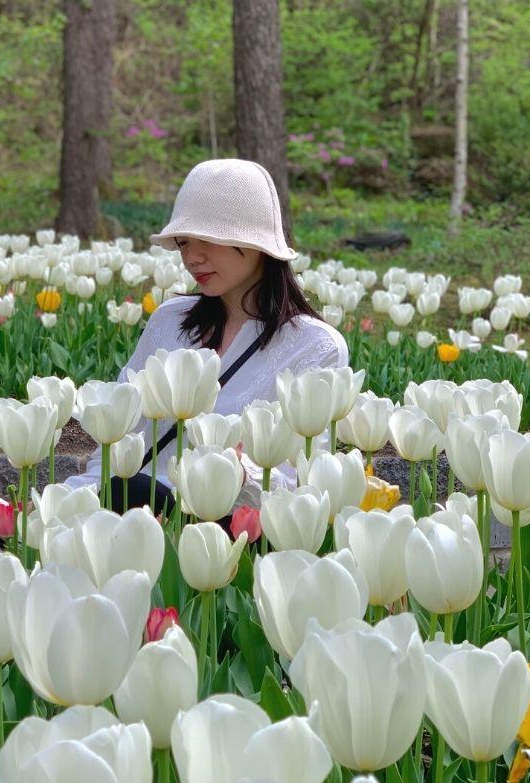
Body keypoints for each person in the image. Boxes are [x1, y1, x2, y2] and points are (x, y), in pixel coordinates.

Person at [62, 158, 350, 517]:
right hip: (140, 513)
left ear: (257, 242)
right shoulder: (170, 322)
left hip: (236, 530)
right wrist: (68, 502)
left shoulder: (314, 346)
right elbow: (119, 440)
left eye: (209, 240)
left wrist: (242, 473)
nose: (192, 257)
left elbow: (309, 483)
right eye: (184, 241)